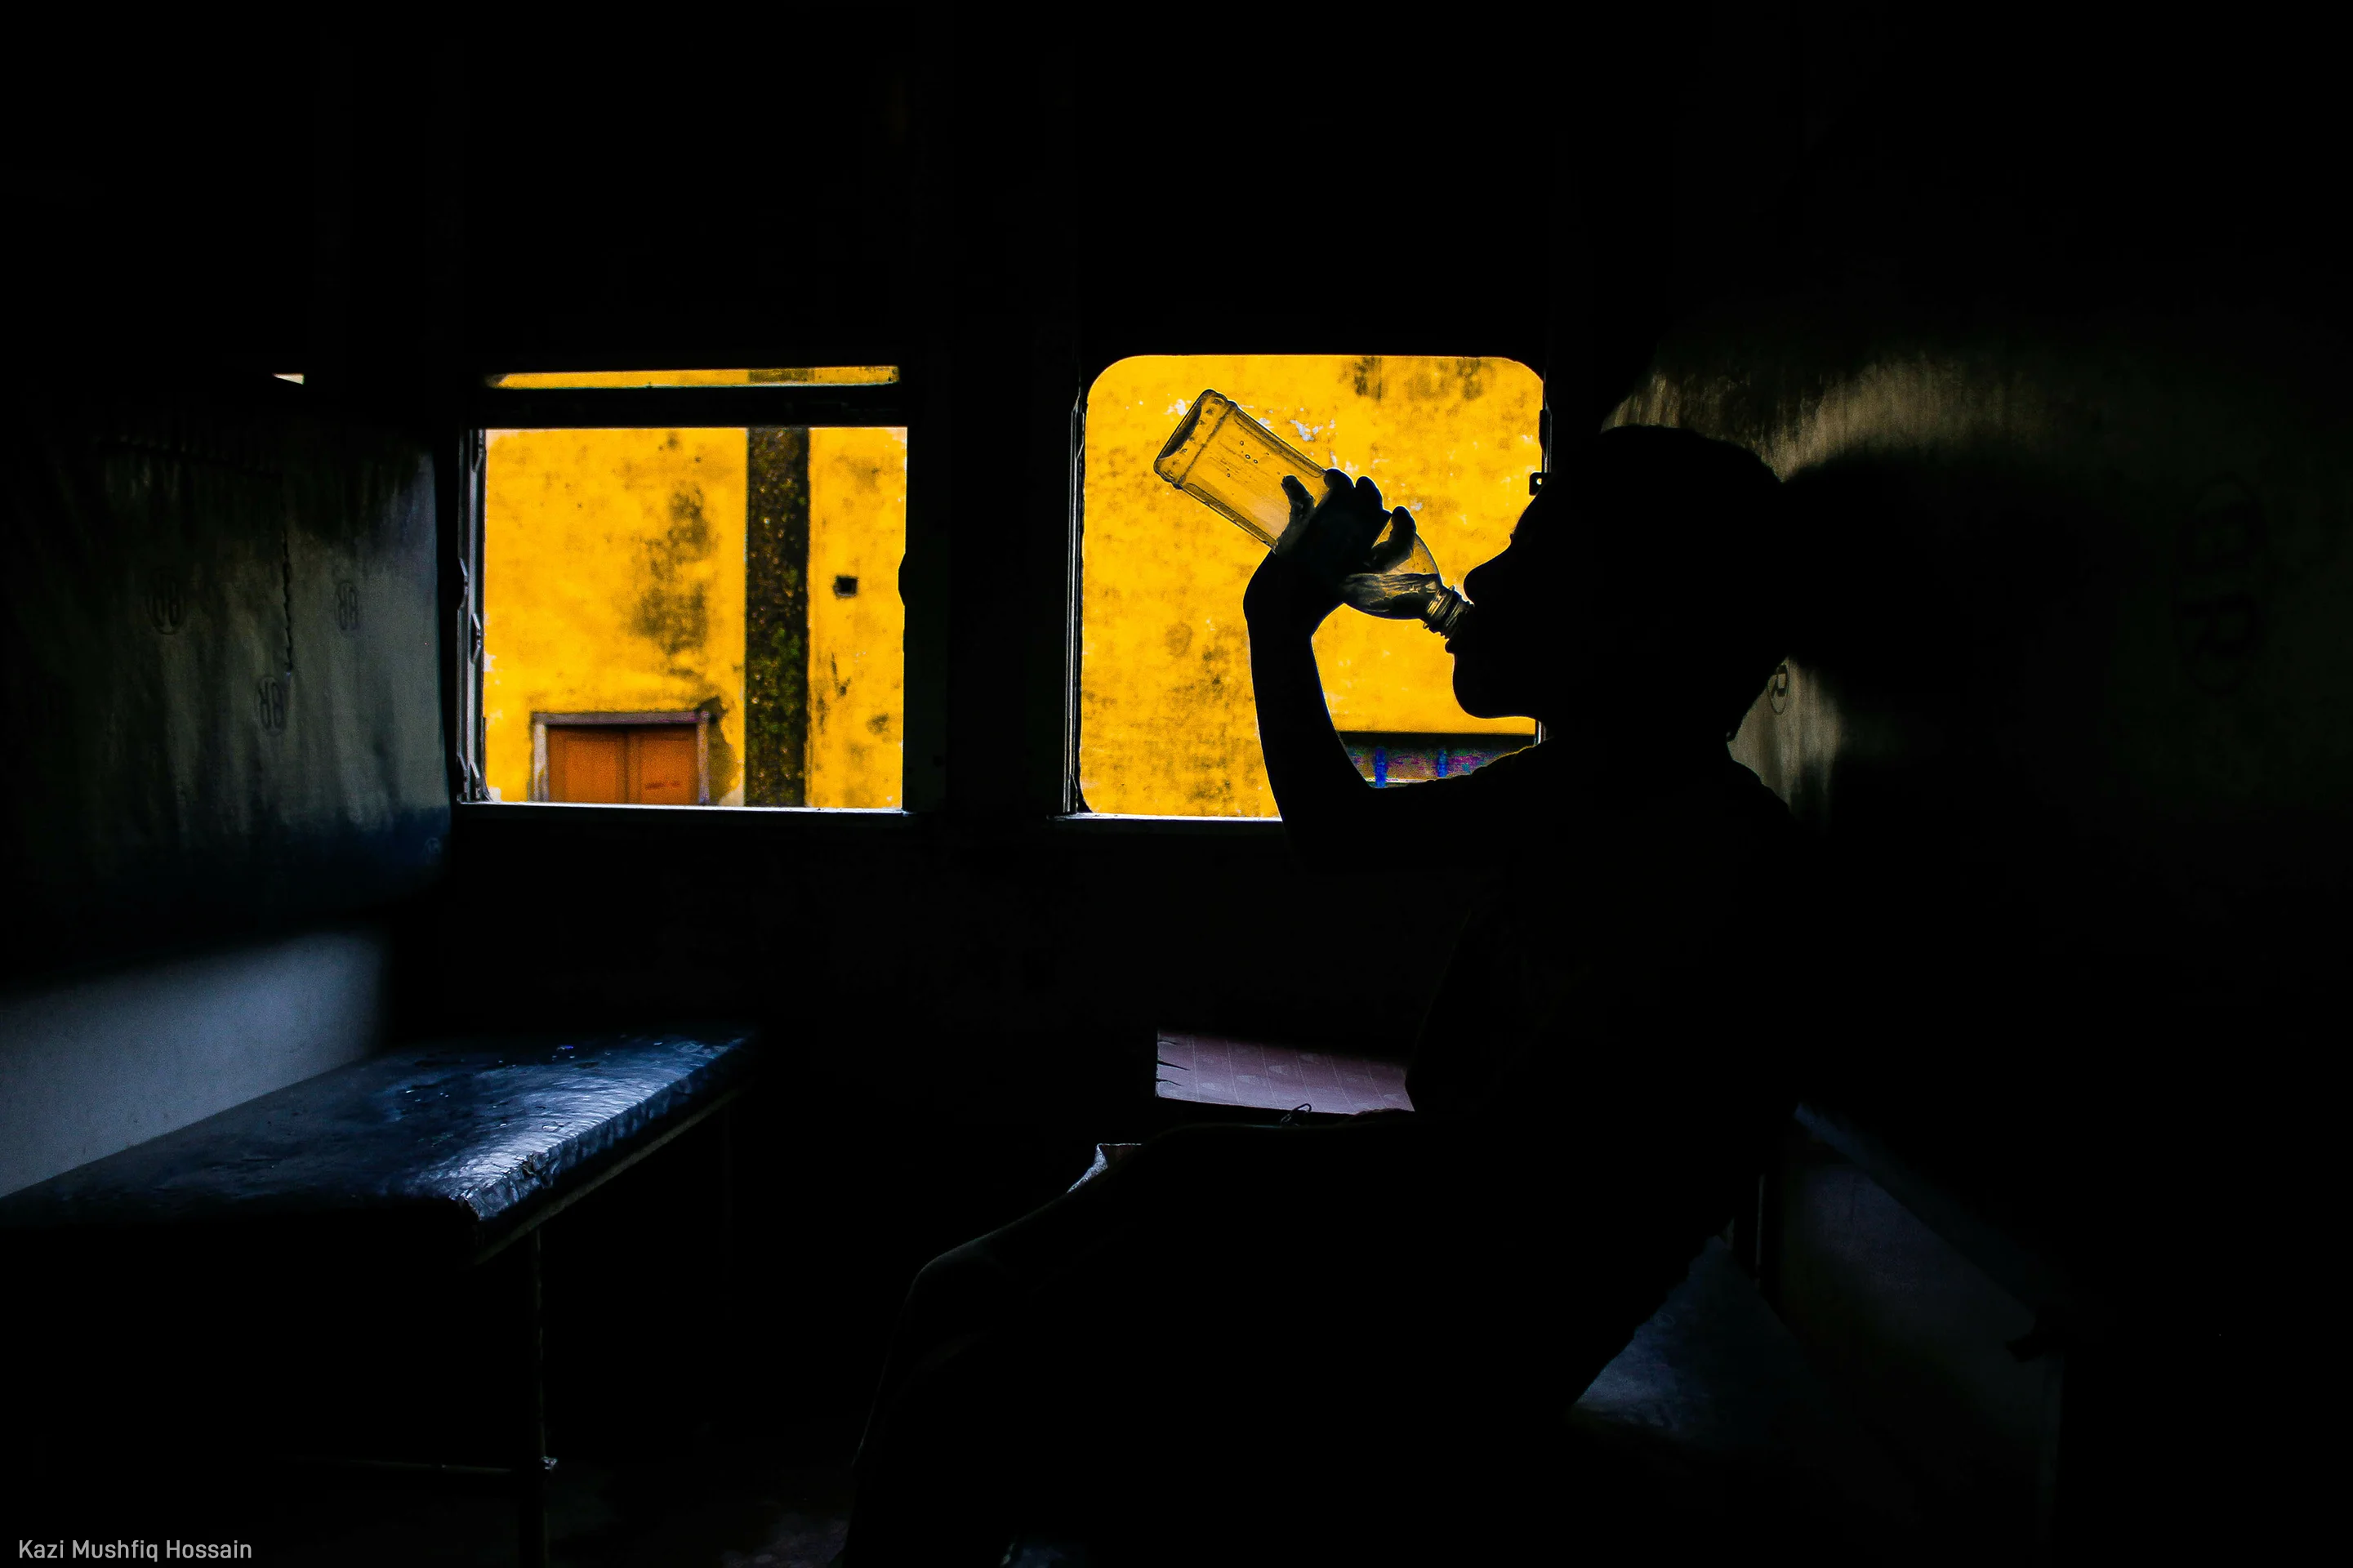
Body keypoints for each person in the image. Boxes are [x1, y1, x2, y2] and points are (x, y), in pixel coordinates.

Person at [840, 425, 1811, 1566]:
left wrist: (1226, 1182)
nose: (1483, 577)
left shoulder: (1706, 855)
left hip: (1467, 1332)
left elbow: (1504, 1194)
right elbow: (1343, 838)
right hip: (1433, 1257)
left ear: (1644, 627)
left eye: (1535, 558)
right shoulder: (1590, 790)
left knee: (965, 1390)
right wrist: (1221, 1174)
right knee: (955, 1285)